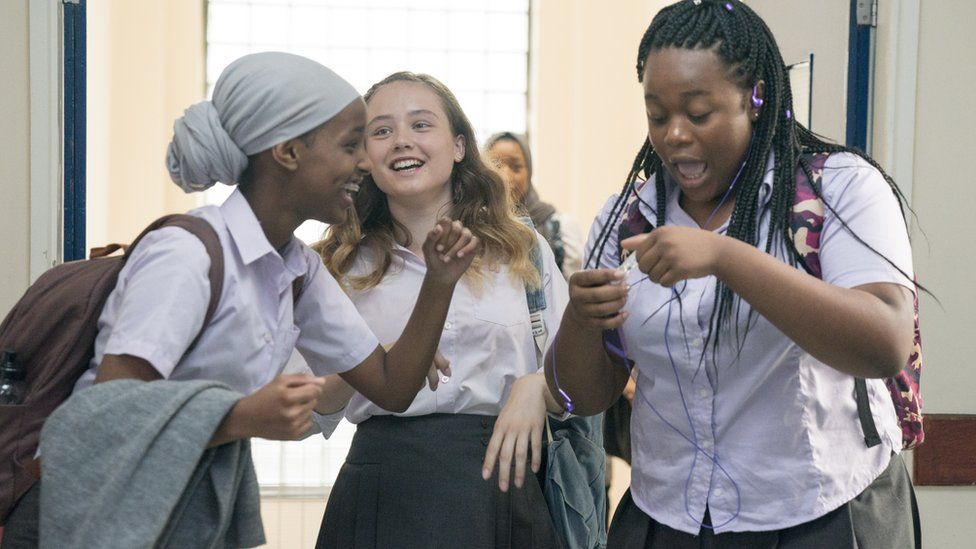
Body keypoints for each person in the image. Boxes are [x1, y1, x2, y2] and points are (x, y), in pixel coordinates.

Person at [0, 52, 480, 548]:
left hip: (171, 519)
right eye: (348, 145)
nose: (364, 162)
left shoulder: (298, 270)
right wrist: (242, 415)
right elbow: (106, 415)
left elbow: (392, 387)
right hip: (87, 523)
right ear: (288, 152)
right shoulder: (187, 255)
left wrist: (439, 282)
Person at [545, 1, 921, 547]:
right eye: (657, 115)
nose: (674, 135)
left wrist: (726, 258)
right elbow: (581, 397)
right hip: (668, 517)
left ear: (756, 97)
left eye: (698, 113)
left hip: (820, 511)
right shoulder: (628, 217)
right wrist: (582, 321)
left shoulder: (836, 189)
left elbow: (885, 342)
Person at [314, 72, 569, 549]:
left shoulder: (523, 251)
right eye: (382, 130)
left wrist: (538, 386)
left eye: (421, 124)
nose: (401, 141)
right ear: (364, 156)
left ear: (458, 146)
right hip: (382, 493)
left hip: (503, 489)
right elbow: (306, 410)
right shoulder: (338, 266)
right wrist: (374, 365)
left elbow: (574, 375)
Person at [485, 132, 583, 279]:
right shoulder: (474, 227)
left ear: (529, 172)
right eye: (496, 166)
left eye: (515, 167)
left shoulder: (559, 228)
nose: (505, 176)